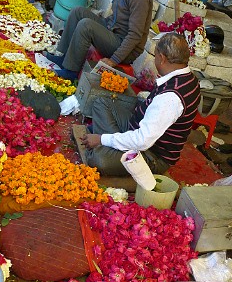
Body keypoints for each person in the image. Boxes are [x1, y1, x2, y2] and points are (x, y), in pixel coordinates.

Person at [80, 33, 201, 176]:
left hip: (152, 155)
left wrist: (101, 139)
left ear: (162, 58)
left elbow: (143, 141)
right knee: (101, 102)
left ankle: (108, 145)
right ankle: (113, 144)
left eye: (155, 55)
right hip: (137, 129)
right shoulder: (188, 77)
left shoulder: (170, 98)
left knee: (99, 160)